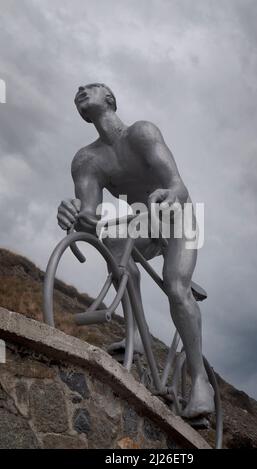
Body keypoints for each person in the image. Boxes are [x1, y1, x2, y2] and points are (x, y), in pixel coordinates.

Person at [57, 83, 214, 418]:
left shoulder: (141, 133)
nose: (82, 89)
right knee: (113, 245)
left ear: (110, 99)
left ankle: (201, 380)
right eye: (78, 91)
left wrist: (170, 196)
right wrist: (71, 213)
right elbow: (90, 220)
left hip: (177, 217)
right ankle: (137, 336)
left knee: (175, 286)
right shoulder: (86, 160)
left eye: (92, 87)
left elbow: (178, 186)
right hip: (142, 222)